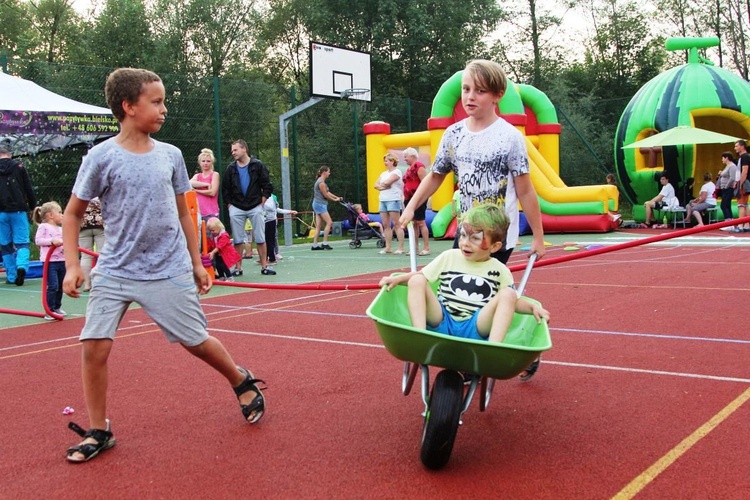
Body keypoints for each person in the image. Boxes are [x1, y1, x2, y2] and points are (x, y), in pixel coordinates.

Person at [61, 68, 266, 463]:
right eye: (156, 101)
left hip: (167, 268)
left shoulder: (170, 156)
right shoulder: (100, 157)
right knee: (94, 347)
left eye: (164, 100)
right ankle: (99, 429)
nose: (164, 108)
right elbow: (72, 215)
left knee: (196, 342)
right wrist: (73, 266)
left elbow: (185, 215)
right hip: (116, 270)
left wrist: (197, 262)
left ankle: (240, 379)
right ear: (128, 106)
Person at [399, 59, 545, 265]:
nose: (470, 97)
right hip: (466, 233)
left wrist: (538, 236)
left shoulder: (510, 137)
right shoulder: (454, 134)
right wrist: (411, 206)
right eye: (466, 89)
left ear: (498, 95)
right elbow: (436, 175)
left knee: (485, 291)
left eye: (480, 91)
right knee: (456, 289)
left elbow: (525, 190)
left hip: (496, 236)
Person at [378, 204, 549, 344]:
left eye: (475, 239)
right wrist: (399, 278)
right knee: (416, 279)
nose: (465, 243)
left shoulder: (500, 270)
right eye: (463, 235)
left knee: (509, 293)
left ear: (495, 247)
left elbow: (512, 302)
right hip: (442, 319)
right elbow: (422, 276)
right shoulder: (449, 256)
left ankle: (493, 349)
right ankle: (420, 335)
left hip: (476, 326)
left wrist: (532, 307)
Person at [221, 139, 275, 275]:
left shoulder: (257, 165)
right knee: (238, 239)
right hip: (237, 207)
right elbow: (225, 189)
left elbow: (267, 185)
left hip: (255, 206)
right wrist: (230, 206)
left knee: (260, 238)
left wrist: (262, 202)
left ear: (244, 149)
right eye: (232, 150)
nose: (233, 152)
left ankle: (265, 266)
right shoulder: (231, 169)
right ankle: (238, 268)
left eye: (235, 150)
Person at [0, 147, 36, 286]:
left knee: (5, 244)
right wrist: (32, 206)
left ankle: (11, 275)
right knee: (22, 242)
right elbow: (28, 188)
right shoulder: (19, 167)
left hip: (1, 212)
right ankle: (22, 267)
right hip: (19, 210)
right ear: (9, 155)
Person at [34, 201, 66, 319]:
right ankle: (49, 310)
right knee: (53, 285)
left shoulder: (61, 229)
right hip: (50, 262)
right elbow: (38, 241)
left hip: (62, 260)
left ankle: (57, 307)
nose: (62, 215)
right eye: (59, 212)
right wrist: (51, 241)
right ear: (50, 215)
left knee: (61, 285)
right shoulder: (43, 227)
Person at [402, 147, 431, 255]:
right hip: (408, 198)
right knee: (413, 223)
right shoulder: (408, 169)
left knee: (421, 222)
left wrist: (422, 197)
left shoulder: (419, 166)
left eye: (406, 156)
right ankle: (414, 248)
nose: (405, 159)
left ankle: (426, 247)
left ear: (413, 156)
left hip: (418, 198)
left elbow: (425, 182)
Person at [376, 152, 405, 255]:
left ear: (392, 161)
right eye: (385, 160)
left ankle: (400, 248)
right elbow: (376, 185)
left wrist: (383, 185)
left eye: (387, 160)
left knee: (397, 224)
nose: (385, 162)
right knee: (385, 224)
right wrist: (383, 186)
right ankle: (388, 247)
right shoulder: (383, 174)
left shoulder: (397, 172)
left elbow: (387, 182)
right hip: (383, 199)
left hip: (393, 199)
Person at [310, 165, 341, 250]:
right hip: (320, 204)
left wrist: (337, 197)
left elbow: (328, 192)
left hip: (317, 204)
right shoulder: (321, 183)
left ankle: (315, 245)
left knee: (319, 226)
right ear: (324, 172)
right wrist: (334, 200)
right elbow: (326, 195)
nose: (329, 173)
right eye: (328, 172)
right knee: (329, 222)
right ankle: (325, 243)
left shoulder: (321, 181)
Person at [78, 197, 105, 292]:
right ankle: (99, 283)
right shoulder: (102, 190)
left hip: (83, 224)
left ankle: (87, 284)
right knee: (102, 254)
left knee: (85, 256)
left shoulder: (81, 191)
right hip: (100, 224)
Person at [262, 193, 297, 265]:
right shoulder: (258, 195)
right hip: (263, 221)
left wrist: (289, 212)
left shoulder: (272, 197)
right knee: (263, 240)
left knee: (270, 240)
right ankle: (264, 257)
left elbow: (274, 209)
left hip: (271, 221)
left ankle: (272, 258)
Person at [189, 148, 220, 221]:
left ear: (212, 162)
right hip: (198, 213)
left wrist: (196, 191)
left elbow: (212, 192)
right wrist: (206, 184)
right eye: (203, 161)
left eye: (208, 161)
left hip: (211, 213)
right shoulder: (197, 176)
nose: (205, 163)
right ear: (200, 162)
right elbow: (189, 183)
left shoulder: (215, 174)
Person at [717, 152, 738, 231]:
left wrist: (726, 186)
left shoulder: (732, 166)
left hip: (728, 188)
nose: (722, 159)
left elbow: (732, 178)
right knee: (726, 205)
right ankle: (729, 222)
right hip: (724, 188)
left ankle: (728, 222)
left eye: (723, 158)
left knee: (724, 205)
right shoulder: (727, 166)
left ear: (727, 158)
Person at [735, 140, 750, 232]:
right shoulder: (745, 157)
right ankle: (747, 224)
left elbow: (744, 171)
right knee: (745, 204)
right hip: (746, 182)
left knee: (741, 204)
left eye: (737, 146)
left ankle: (740, 225)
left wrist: (740, 184)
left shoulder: (744, 157)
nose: (735, 148)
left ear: (742, 146)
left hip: (744, 182)